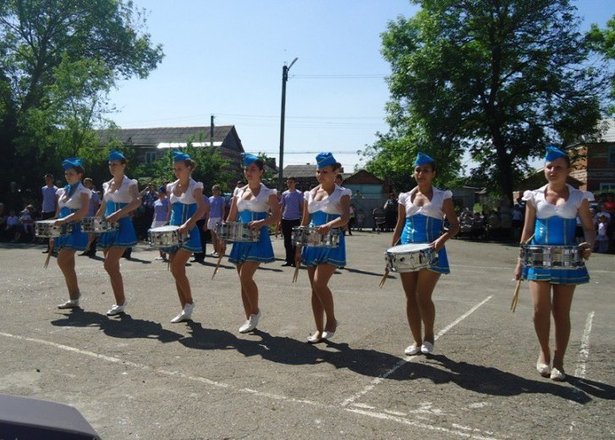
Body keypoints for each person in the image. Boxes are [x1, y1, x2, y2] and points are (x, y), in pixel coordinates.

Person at [514, 146, 595, 382]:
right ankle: (544, 353)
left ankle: (559, 361)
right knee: (540, 310)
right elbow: (527, 230)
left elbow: (589, 229)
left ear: (568, 170)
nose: (553, 171)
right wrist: (520, 262)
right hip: (538, 258)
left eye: (558, 167)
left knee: (561, 312)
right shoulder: (534, 196)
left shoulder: (579, 197)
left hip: (567, 259)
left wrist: (589, 245)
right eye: (549, 166)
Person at [391, 152, 459, 356]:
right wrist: (391, 251)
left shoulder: (442, 196)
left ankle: (429, 337)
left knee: (423, 295)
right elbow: (399, 225)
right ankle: (416, 341)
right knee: (410, 297)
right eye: (418, 170)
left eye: (426, 171)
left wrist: (441, 240)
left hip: (431, 251)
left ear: (433, 173)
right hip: (406, 251)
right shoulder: (405, 197)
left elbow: (455, 225)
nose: (421, 174)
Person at [296, 152, 350, 343]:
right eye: (318, 171)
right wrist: (298, 248)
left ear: (336, 173)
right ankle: (319, 330)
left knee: (319, 284)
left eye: (325, 171)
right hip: (312, 242)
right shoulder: (310, 194)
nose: (321, 175)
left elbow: (345, 218)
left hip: (332, 241)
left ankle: (332, 320)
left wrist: (329, 225)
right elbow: (304, 221)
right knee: (314, 289)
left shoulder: (342, 193)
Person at [224, 153, 280, 333]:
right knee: (242, 280)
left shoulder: (268, 193)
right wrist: (222, 235)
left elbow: (277, 216)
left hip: (258, 239)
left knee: (245, 277)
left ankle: (255, 313)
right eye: (246, 169)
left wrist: (262, 222)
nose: (249, 172)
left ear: (261, 171)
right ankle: (248, 316)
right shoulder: (238, 192)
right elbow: (231, 217)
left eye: (253, 169)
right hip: (240, 239)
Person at [96, 151, 141, 316]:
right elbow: (102, 207)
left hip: (123, 226)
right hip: (107, 227)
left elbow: (137, 202)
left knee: (109, 264)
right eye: (110, 164)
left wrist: (118, 214)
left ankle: (120, 302)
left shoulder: (130, 183)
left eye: (115, 164)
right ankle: (120, 302)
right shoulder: (106, 184)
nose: (112, 167)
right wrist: (93, 225)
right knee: (112, 268)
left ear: (123, 165)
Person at [164, 150, 206, 323]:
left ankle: (189, 302)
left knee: (176, 267)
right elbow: (171, 210)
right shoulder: (170, 187)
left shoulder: (195, 187)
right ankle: (184, 310)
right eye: (175, 169)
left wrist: (188, 224)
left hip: (189, 232)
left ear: (189, 168)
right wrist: (164, 227)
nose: (176, 172)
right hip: (174, 232)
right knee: (176, 271)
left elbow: (202, 208)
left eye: (180, 168)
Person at [54, 158, 91, 309]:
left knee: (62, 261)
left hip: (76, 229)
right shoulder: (62, 191)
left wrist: (65, 220)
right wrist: (53, 233)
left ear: (79, 175)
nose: (67, 176)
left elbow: (83, 211)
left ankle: (75, 294)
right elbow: (58, 213)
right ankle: (74, 299)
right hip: (63, 231)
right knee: (68, 265)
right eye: (66, 173)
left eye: (71, 173)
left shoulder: (83, 191)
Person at [279, 177, 303, 266]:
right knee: (287, 240)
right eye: (288, 182)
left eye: (291, 182)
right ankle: (288, 259)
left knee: (296, 241)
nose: (289, 184)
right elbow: (282, 207)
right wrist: (280, 220)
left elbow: (302, 206)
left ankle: (295, 260)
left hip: (295, 219)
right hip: (285, 219)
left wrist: (302, 218)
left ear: (295, 183)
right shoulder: (284, 194)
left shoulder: (299, 194)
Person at [80, 177, 100, 257]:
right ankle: (86, 250)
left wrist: (96, 216)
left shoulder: (94, 194)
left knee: (92, 234)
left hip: (91, 215)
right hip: (84, 215)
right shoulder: (82, 193)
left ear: (91, 184)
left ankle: (92, 250)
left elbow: (96, 205)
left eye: (87, 183)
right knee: (86, 234)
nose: (85, 184)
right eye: (84, 183)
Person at [151, 186, 170, 262]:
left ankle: (164, 254)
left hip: (164, 221)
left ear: (164, 193)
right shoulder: (156, 202)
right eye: (159, 192)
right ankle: (161, 255)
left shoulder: (167, 201)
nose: (160, 194)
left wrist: (167, 219)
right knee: (158, 238)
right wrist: (153, 219)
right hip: (156, 221)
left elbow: (169, 210)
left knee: (164, 238)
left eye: (161, 192)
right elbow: (155, 211)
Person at [191, 193, 210, 263]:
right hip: (194, 220)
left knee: (202, 239)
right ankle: (196, 256)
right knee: (195, 238)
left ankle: (202, 257)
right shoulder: (193, 197)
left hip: (202, 221)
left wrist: (206, 224)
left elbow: (208, 212)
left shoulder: (205, 199)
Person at [41, 173, 58, 252]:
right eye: (46, 180)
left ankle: (53, 248)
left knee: (53, 230)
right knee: (47, 230)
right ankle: (49, 248)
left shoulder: (56, 189)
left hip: (52, 211)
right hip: (45, 210)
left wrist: (56, 212)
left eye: (48, 179)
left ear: (52, 180)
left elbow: (57, 201)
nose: (47, 181)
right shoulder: (43, 188)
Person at [207, 184, 225, 257]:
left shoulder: (221, 199)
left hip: (218, 218)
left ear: (219, 191)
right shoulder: (210, 198)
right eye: (213, 190)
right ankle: (214, 250)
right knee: (213, 235)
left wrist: (222, 218)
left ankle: (218, 250)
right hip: (211, 218)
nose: (214, 191)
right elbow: (208, 209)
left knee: (218, 236)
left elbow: (223, 210)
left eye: (216, 190)